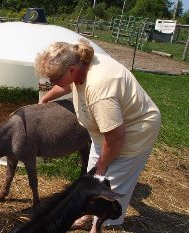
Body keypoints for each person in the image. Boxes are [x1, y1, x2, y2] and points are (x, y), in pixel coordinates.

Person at [35, 39, 161, 233]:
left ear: (71, 70)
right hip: (106, 132)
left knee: (109, 184)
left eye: (54, 79)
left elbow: (116, 138)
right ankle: (87, 217)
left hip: (135, 132)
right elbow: (66, 85)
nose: (52, 83)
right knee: (93, 177)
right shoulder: (79, 64)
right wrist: (45, 98)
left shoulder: (100, 88)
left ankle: (98, 226)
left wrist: (103, 164)